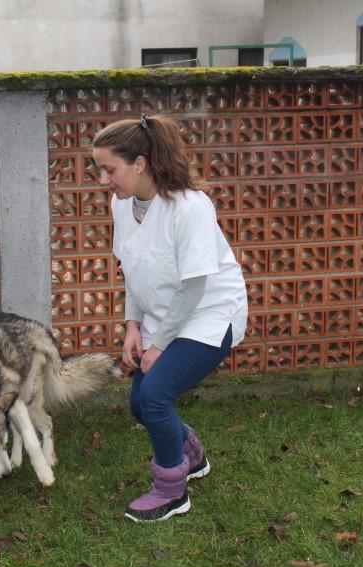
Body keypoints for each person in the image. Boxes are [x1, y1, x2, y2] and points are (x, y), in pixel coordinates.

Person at [92, 114, 248, 523]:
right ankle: (191, 457)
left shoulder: (189, 207)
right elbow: (133, 269)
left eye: (111, 169)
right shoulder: (122, 205)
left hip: (210, 315)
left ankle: (171, 492)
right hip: (164, 318)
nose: (105, 179)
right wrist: (133, 326)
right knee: (141, 405)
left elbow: (194, 287)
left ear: (139, 163)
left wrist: (158, 345)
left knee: (156, 397)